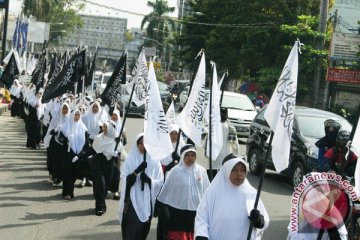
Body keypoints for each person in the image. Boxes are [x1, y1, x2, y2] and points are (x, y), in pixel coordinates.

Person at [195, 154, 269, 240]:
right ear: (227, 171)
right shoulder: (213, 192)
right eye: (234, 170)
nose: (239, 174)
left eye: (242, 170)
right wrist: (202, 235)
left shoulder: (251, 193)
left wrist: (259, 220)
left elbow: (265, 220)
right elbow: (202, 218)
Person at [156, 144, 210, 240]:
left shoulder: (201, 171)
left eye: (193, 155)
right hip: (177, 214)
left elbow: (207, 192)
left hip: (196, 213)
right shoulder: (175, 171)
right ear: (182, 156)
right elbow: (166, 193)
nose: (190, 158)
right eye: (187, 155)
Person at [118, 133, 164, 240]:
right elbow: (125, 180)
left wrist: (149, 181)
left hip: (147, 201)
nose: (143, 146)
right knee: (132, 230)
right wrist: (136, 172)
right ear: (137, 144)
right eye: (140, 143)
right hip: (132, 200)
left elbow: (160, 181)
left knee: (143, 231)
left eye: (145, 143)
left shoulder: (155, 161)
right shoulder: (130, 159)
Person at [75, 120, 121, 215]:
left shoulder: (116, 141)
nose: (103, 129)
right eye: (103, 127)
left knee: (105, 187)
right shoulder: (99, 138)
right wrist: (79, 156)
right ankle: (100, 207)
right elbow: (91, 150)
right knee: (100, 185)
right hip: (98, 164)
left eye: (106, 127)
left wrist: (115, 154)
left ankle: (101, 201)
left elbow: (119, 154)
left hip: (110, 165)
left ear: (111, 129)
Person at [60, 108, 89, 200]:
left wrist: (82, 154)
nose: (76, 117)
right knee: (67, 173)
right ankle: (67, 193)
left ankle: (70, 189)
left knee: (74, 174)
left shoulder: (83, 128)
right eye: (75, 115)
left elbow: (86, 142)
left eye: (78, 115)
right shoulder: (66, 126)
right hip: (68, 154)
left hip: (78, 155)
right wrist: (67, 139)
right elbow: (60, 139)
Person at [211, 108, 240, 172]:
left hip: (215, 159)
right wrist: (236, 157)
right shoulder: (231, 129)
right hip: (227, 160)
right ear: (227, 116)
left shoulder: (212, 129)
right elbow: (236, 147)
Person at [108, 109, 127, 200]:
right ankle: (105, 189)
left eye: (116, 115)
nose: (114, 117)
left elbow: (124, 137)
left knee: (117, 171)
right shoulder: (107, 124)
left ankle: (115, 191)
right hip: (108, 150)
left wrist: (124, 137)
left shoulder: (121, 125)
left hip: (117, 151)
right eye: (113, 115)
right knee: (108, 170)